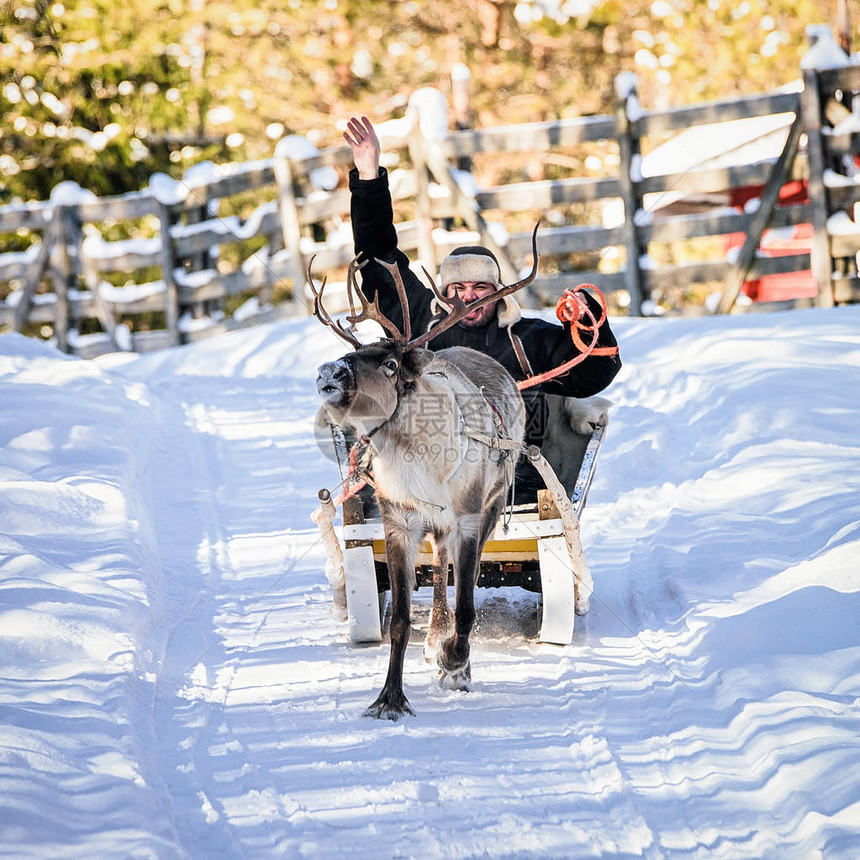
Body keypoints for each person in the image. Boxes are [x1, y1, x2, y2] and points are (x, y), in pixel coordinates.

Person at [342, 115, 621, 502]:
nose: (468, 297)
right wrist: (369, 175)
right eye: (457, 287)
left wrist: (590, 321)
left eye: (480, 288)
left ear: (499, 292)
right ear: (443, 291)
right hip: (428, 477)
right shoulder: (419, 324)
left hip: (511, 481)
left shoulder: (526, 339)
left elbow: (594, 371)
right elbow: (376, 255)